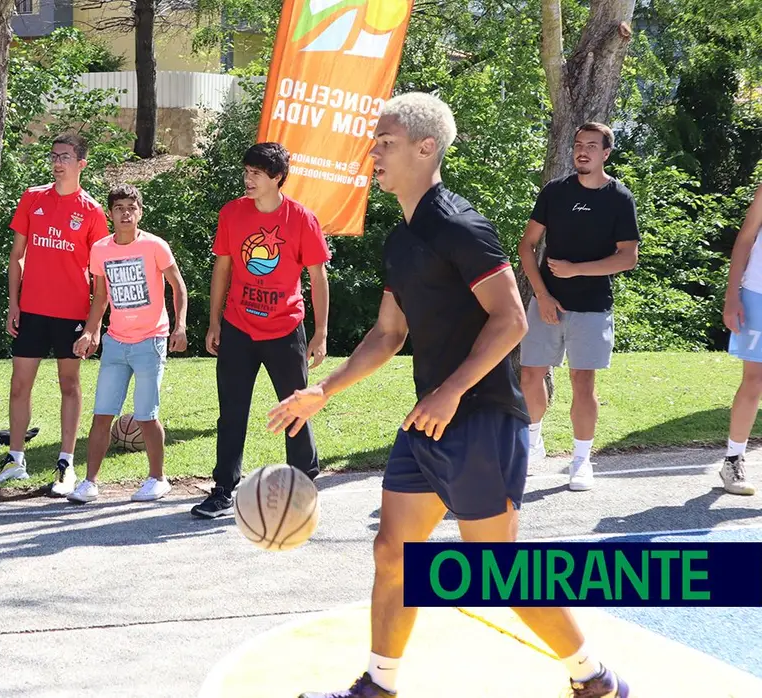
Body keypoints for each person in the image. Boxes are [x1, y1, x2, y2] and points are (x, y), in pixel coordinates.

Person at [267, 92, 628, 698]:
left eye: (385, 142)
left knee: (498, 573)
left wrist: (453, 390)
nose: (373, 152)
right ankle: (378, 686)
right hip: (429, 418)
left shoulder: (460, 225)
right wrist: (321, 391)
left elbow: (511, 319)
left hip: (481, 415)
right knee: (393, 552)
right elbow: (389, 333)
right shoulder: (401, 238)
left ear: (425, 146)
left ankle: (594, 678)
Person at [191, 141, 331, 519]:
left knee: (295, 409)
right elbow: (222, 268)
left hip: (286, 330)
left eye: (256, 173)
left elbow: (318, 278)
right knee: (231, 411)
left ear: (277, 178)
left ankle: (303, 485)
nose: (247, 179)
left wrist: (320, 334)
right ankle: (223, 489)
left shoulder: (302, 219)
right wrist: (215, 320)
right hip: (238, 327)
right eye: (246, 172)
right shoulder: (232, 213)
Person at [0, 133, 110, 495]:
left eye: (65, 157)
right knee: (19, 385)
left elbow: (101, 276)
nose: (58, 162)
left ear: (81, 164)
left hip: (71, 314)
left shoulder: (92, 211)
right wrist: (14, 302)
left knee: (69, 386)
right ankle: (16, 460)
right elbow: (16, 256)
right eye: (54, 156)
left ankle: (65, 463)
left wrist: (93, 326)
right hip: (32, 310)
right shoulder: (33, 198)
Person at [517, 122, 640, 491]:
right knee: (529, 376)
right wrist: (543, 295)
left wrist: (576, 271)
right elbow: (527, 247)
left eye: (591, 146)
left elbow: (627, 258)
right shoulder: (555, 192)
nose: (582, 151)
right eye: (577, 145)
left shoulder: (619, 198)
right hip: (546, 303)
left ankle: (582, 462)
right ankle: (531, 443)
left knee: (582, 382)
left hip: (592, 306)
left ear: (606, 153)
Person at [67, 183, 188, 503]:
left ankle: (157, 478)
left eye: (131, 208)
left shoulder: (155, 246)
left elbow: (178, 286)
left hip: (151, 341)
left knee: (146, 415)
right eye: (119, 208)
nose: (125, 213)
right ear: (110, 213)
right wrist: (90, 332)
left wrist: (180, 326)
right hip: (116, 343)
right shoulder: (101, 249)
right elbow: (101, 297)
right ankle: (89, 483)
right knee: (102, 414)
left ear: (140, 212)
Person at [718, 178, 762, 496]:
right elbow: (745, 240)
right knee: (754, 380)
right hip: (757, 294)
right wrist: (732, 296)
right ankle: (733, 460)